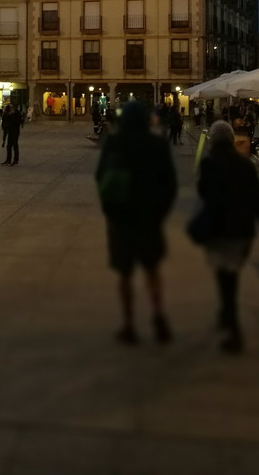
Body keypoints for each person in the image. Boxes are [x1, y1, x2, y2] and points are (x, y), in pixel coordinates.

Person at [192, 119, 259, 353]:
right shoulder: (245, 165)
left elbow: (203, 191)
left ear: (212, 140)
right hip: (242, 231)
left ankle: (233, 329)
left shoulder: (209, 163)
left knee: (225, 278)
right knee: (231, 277)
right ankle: (226, 315)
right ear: (231, 140)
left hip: (219, 229)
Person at [95, 100, 177, 345]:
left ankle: (129, 323)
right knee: (152, 271)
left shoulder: (114, 142)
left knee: (125, 274)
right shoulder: (157, 144)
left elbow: (101, 178)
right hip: (149, 218)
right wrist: (160, 213)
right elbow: (170, 183)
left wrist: (110, 212)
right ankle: (158, 314)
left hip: (121, 219)